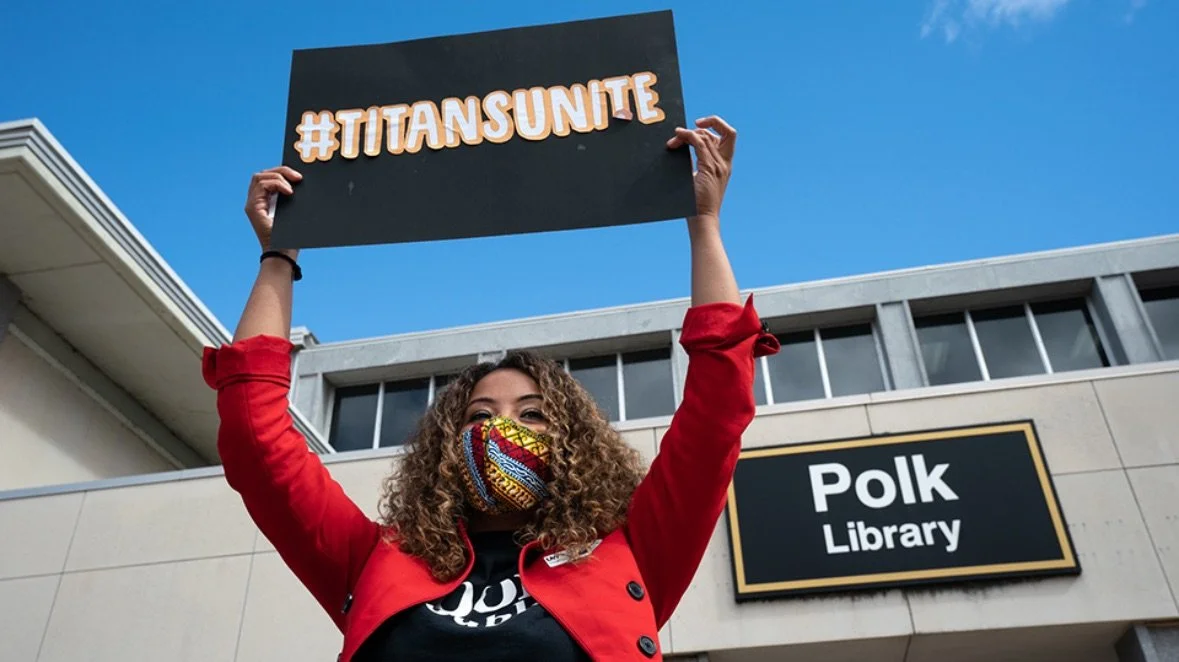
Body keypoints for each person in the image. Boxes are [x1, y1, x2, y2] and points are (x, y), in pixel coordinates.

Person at [202, 115, 779, 661]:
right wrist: (278, 254)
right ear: (445, 449)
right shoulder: (373, 559)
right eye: (479, 417)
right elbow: (257, 441)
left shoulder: (633, 551)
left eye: (532, 414)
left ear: (573, 444)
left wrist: (704, 222)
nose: (501, 429)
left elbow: (715, 409)